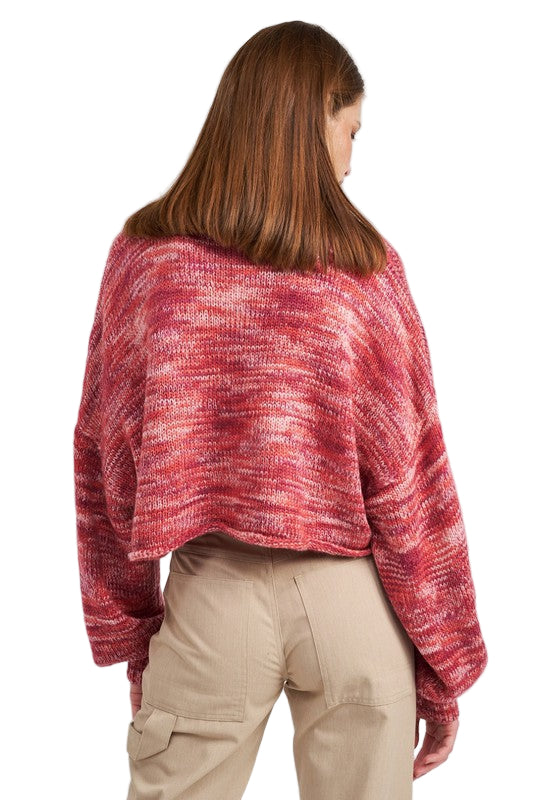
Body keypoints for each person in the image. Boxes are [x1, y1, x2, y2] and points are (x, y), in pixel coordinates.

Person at [73, 20, 488, 799]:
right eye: (350, 131)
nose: (351, 161)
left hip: (212, 599)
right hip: (353, 607)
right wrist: (442, 663)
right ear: (310, 120)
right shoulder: (366, 271)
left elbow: (105, 459)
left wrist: (134, 633)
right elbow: (411, 480)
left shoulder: (146, 263)